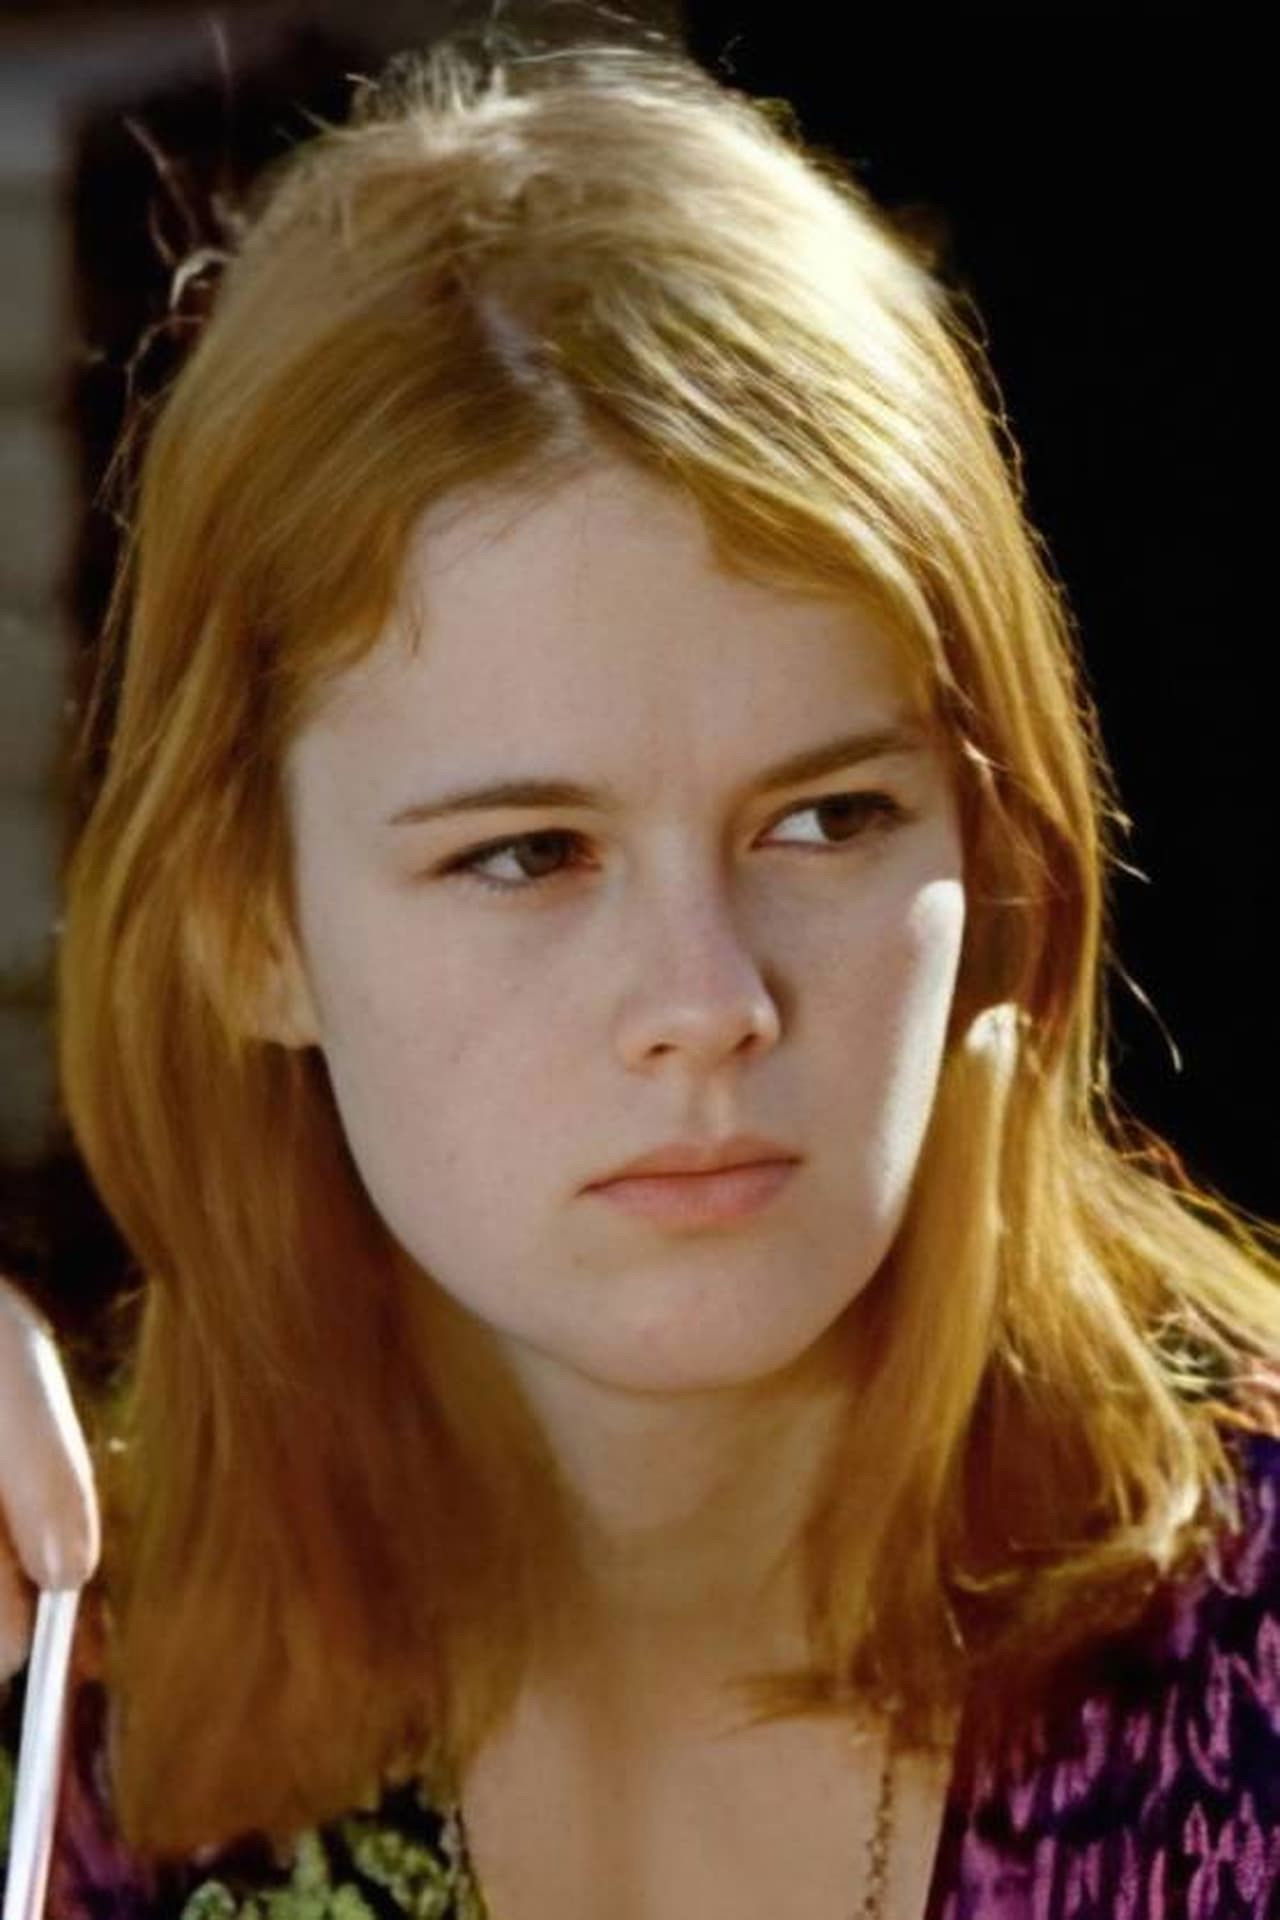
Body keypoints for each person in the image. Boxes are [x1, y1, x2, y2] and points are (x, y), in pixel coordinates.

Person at [2, 25, 1279, 1920]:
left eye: (828, 818)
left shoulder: (1247, 1653)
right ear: (247, 923)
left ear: (996, 850)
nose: (707, 1001)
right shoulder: (77, 1691)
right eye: (528, 853)